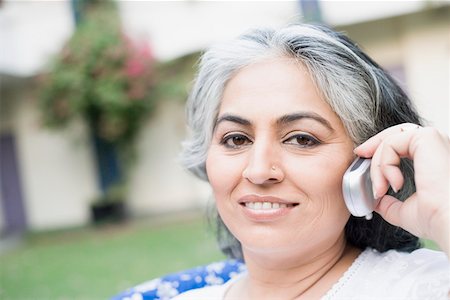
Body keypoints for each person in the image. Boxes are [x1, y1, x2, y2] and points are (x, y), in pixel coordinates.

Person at [175, 24, 449, 299]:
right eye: (236, 139)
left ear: (369, 162)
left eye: (302, 139)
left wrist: (443, 211)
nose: (258, 171)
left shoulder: (426, 287)